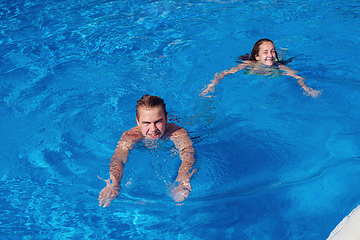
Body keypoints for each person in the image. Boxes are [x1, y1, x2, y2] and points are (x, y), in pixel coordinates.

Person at [98, 95, 196, 207]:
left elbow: (188, 155)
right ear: (138, 122)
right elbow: (119, 159)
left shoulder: (177, 132)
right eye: (146, 123)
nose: (153, 129)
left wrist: (182, 180)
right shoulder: (130, 136)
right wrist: (113, 184)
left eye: (158, 122)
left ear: (166, 119)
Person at [201, 38, 321, 98]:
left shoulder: (279, 66)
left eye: (273, 51)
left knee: (284, 59)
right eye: (266, 52)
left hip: (275, 66)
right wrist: (211, 86)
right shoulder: (249, 65)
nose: (270, 55)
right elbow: (222, 74)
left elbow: (298, 76)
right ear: (257, 57)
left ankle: (282, 52)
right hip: (253, 64)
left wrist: (306, 88)